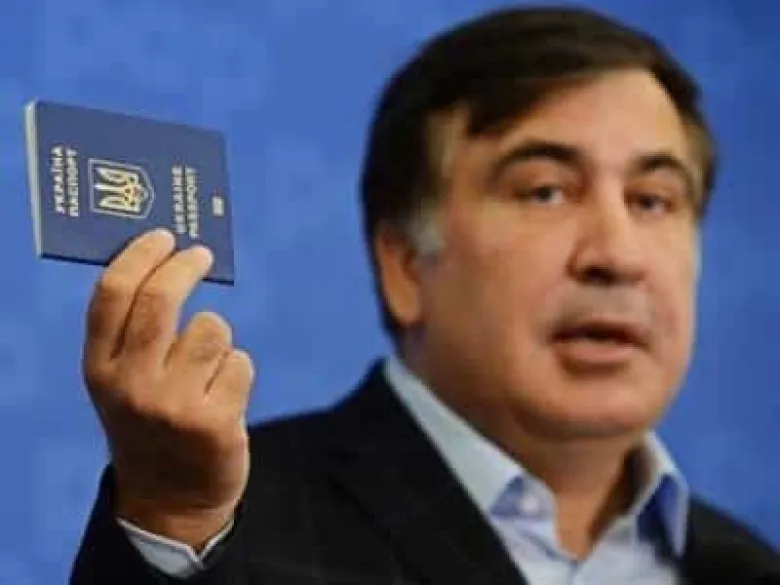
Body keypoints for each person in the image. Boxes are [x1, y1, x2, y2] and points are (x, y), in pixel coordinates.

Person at [69, 5, 780, 585]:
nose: (617, 256)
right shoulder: (219, 531)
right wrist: (171, 522)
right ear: (405, 265)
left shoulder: (745, 565)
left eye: (654, 200)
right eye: (545, 191)